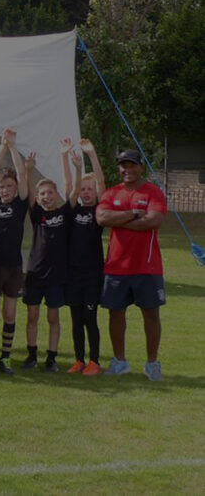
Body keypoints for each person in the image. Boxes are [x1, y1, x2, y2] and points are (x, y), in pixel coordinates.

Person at [96, 149, 167, 381]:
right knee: (115, 313)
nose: (127, 170)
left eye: (132, 165)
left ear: (141, 167)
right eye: (123, 165)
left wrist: (119, 220)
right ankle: (120, 362)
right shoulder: (111, 193)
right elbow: (102, 218)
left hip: (147, 266)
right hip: (116, 266)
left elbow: (153, 221)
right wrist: (134, 214)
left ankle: (152, 364)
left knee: (151, 314)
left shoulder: (153, 192)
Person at [0, 128, 29, 375]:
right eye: (2, 186)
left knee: (9, 314)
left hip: (13, 266)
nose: (5, 190)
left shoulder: (20, 203)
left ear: (16, 187)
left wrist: (13, 146)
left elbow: (21, 172)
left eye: (9, 186)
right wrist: (2, 146)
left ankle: (6, 358)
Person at [23, 145, 73, 373]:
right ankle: (32, 354)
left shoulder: (64, 213)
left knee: (53, 317)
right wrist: (29, 171)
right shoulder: (37, 214)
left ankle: (51, 358)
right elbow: (28, 193)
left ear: (56, 195)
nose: (47, 196)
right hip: (35, 274)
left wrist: (64, 157)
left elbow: (70, 187)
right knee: (32, 316)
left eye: (50, 193)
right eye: (43, 193)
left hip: (56, 276)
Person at [65, 139, 106, 375]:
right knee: (76, 319)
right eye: (83, 189)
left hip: (92, 274)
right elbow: (70, 186)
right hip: (73, 274)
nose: (87, 193)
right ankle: (79, 360)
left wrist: (92, 154)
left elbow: (101, 182)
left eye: (90, 189)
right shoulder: (73, 210)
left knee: (90, 317)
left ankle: (95, 361)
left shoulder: (99, 210)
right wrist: (73, 166)